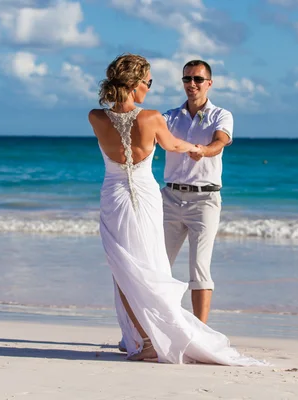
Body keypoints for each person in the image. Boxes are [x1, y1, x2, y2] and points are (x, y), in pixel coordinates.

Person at [88, 54, 264, 365]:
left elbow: (217, 138)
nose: (149, 88)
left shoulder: (95, 117)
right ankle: (149, 338)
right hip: (147, 198)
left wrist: (207, 148)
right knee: (150, 269)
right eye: (148, 82)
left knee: (126, 269)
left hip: (113, 197)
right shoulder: (154, 117)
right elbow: (173, 145)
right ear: (135, 84)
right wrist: (197, 148)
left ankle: (143, 337)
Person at [161, 60, 232, 324]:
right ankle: (155, 327)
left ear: (209, 83)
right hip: (169, 197)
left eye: (197, 79)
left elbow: (220, 143)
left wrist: (202, 150)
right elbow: (152, 137)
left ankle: (200, 332)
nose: (191, 84)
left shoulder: (221, 115)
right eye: (187, 79)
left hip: (204, 200)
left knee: (199, 268)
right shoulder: (169, 116)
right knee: (158, 266)